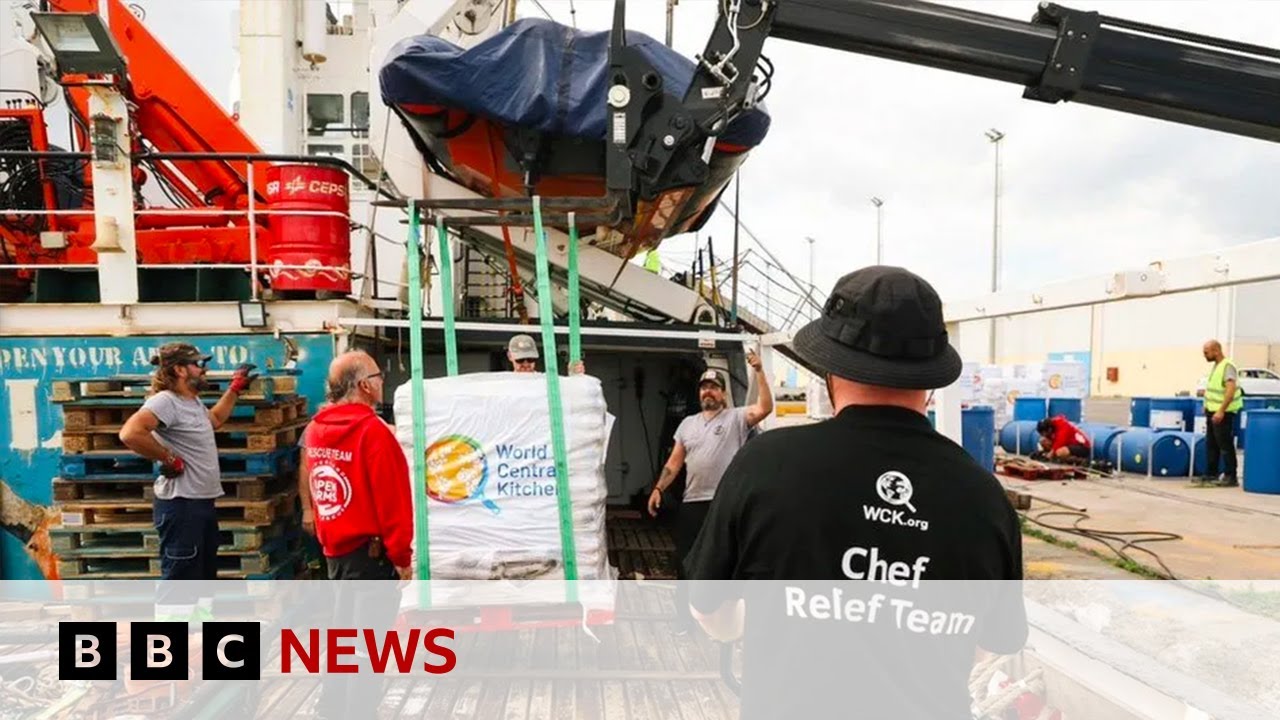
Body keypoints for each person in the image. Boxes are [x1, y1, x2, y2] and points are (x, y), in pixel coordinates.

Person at [684, 267, 1027, 719]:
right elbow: (991, 643)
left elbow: (708, 607)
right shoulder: (984, 497)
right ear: (929, 376)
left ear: (830, 368)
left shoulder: (765, 465)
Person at [648, 351, 773, 630]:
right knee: (686, 562)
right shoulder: (687, 424)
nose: (709, 392)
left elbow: (764, 407)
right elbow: (675, 461)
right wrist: (658, 488)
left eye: (714, 387)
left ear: (724, 395)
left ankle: (725, 621)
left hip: (724, 504)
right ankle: (685, 620)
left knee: (727, 563)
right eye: (704, 387)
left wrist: (760, 372)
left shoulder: (736, 419)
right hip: (693, 503)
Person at [119, 343, 256, 583]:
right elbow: (130, 433)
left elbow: (214, 420)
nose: (205, 369)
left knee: (202, 580)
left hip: (201, 502)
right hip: (181, 505)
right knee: (180, 581)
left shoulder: (191, 402)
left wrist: (234, 389)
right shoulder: (165, 401)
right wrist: (169, 458)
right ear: (180, 370)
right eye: (199, 364)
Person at [299, 350, 413, 580]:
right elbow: (392, 501)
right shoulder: (373, 433)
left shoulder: (315, 429)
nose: (382, 380)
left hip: (334, 552)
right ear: (365, 385)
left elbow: (312, 477)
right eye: (378, 375)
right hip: (370, 557)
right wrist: (402, 557)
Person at [1200, 339, 1241, 487]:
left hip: (1223, 413)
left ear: (1216, 350)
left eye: (1206, 352)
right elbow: (1213, 389)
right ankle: (1211, 473)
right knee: (1212, 444)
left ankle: (1231, 476)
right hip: (1212, 411)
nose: (1205, 355)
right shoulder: (1217, 366)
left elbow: (1230, 390)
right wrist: (1206, 405)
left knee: (1225, 445)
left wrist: (1221, 410)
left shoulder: (1227, 366)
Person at [507, 333, 584, 375]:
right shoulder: (505, 383)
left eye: (531, 359)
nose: (526, 364)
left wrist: (575, 378)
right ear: (510, 356)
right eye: (520, 360)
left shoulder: (545, 381)